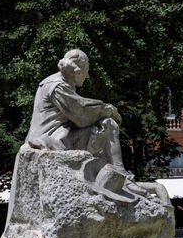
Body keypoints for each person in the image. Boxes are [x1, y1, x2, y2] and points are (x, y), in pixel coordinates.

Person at [26, 49, 134, 193]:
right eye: (86, 71)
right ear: (77, 71)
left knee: (100, 137)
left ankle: (112, 178)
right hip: (51, 141)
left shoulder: (57, 83)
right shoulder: (58, 86)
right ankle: (122, 177)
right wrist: (109, 110)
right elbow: (82, 114)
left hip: (56, 137)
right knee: (108, 125)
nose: (87, 75)